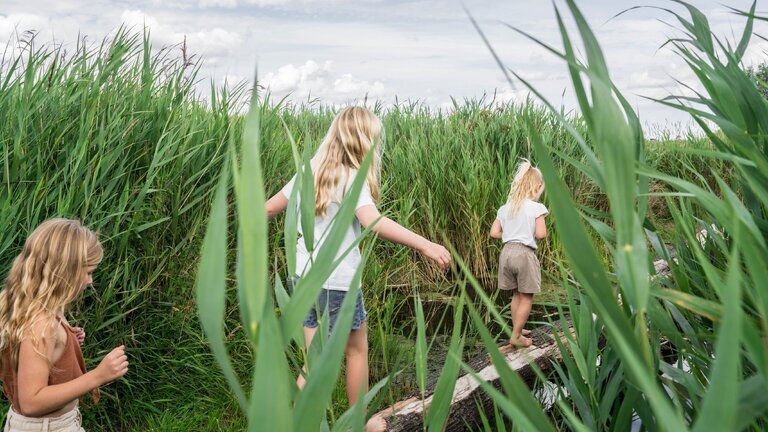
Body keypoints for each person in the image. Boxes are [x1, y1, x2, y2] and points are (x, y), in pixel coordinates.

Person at [266, 106, 451, 431]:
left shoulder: (308, 170)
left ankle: (288, 420)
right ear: (363, 140)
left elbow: (267, 209)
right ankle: (358, 423)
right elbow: (372, 220)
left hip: (303, 278)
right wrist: (425, 244)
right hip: (338, 282)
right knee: (355, 352)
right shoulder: (351, 175)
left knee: (314, 359)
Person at [0, 218, 129, 431]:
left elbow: (30, 356)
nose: (90, 281)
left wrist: (66, 342)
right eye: (88, 273)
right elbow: (31, 402)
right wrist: (98, 375)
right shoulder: (41, 323)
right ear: (64, 271)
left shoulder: (34, 306)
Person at [490, 160, 548, 347]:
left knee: (516, 294)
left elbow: (493, 233)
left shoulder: (505, 208)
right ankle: (516, 336)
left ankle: (518, 328)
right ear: (537, 187)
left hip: (506, 252)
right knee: (527, 296)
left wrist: (511, 234)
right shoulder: (536, 208)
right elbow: (541, 234)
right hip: (524, 254)